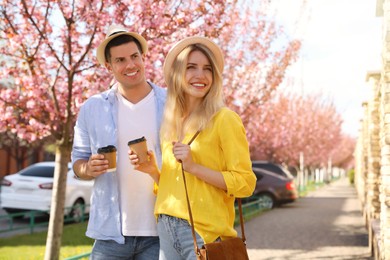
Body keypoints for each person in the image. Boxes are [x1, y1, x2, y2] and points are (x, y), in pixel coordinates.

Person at [129, 36, 256, 260]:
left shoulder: (224, 119)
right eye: (191, 67)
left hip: (203, 233)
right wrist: (154, 172)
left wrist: (194, 167)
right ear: (177, 74)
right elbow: (179, 186)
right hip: (166, 227)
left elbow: (245, 183)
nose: (201, 75)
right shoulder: (172, 123)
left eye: (207, 69)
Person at [71, 24, 166, 259]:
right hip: (110, 234)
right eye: (120, 60)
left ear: (144, 57)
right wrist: (88, 168)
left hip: (161, 230)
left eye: (135, 56)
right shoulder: (92, 108)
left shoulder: (171, 102)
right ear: (109, 66)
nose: (131, 65)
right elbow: (77, 163)